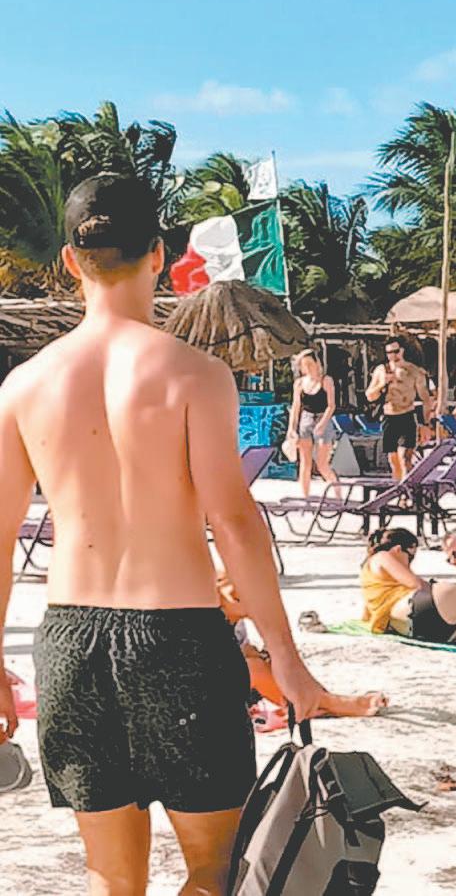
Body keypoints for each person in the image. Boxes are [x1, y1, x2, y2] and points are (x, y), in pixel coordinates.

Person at [0, 174, 324, 896]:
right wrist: (285, 657)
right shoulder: (195, 374)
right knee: (215, 867)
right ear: (160, 255)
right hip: (178, 638)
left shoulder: (23, 385)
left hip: (69, 642)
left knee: (112, 878)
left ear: (70, 261)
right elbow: (233, 521)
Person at [216, 572, 387, 719]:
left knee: (272, 662)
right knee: (251, 668)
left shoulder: (236, 621)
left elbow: (243, 648)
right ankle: (327, 703)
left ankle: (317, 700)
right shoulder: (210, 618)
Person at [365, 339, 433, 481]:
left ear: (402, 351)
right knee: (393, 460)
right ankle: (397, 487)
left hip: (407, 415)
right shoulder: (381, 371)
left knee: (405, 458)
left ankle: (408, 488)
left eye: (396, 351)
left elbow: (426, 399)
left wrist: (426, 424)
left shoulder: (414, 371)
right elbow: (370, 396)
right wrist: (382, 384)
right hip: (389, 416)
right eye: (389, 352)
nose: (393, 355)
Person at [284, 349, 340, 498]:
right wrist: (291, 428)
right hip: (306, 419)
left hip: (323, 418)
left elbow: (331, 405)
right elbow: (296, 407)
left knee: (322, 463)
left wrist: (322, 423)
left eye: (309, 364)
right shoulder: (299, 384)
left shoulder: (326, 380)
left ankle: (337, 492)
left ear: (317, 364)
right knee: (305, 462)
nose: (307, 368)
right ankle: (305, 496)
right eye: (304, 365)